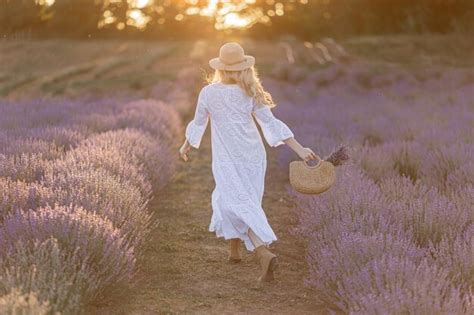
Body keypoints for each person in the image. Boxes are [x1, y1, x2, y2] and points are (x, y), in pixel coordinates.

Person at [179, 42, 317, 282]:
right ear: (243, 67)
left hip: (228, 157)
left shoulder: (209, 93)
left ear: (220, 68)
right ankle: (234, 251)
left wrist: (187, 143)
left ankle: (263, 252)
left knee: (234, 200)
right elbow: (271, 123)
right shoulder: (250, 89)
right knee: (239, 199)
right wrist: (300, 149)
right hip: (253, 155)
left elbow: (199, 122)